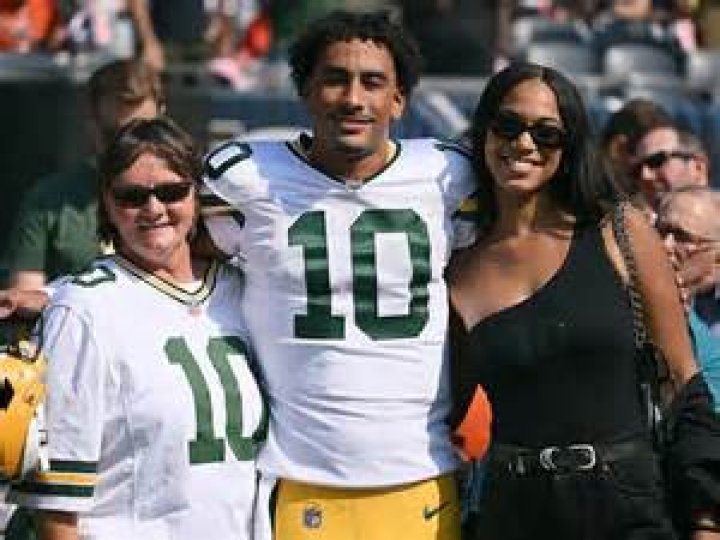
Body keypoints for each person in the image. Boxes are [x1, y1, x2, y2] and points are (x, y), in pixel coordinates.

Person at [199, 9, 478, 540]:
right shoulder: (247, 178)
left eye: (372, 82)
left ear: (399, 99)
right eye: (335, 79)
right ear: (305, 91)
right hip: (300, 478)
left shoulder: (447, 175)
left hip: (422, 475)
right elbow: (170, 265)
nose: (353, 99)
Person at [448, 62, 720, 538]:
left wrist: (706, 522)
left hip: (628, 511)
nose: (524, 144)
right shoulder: (456, 266)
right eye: (508, 125)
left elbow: (683, 383)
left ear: (569, 145)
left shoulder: (620, 232)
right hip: (512, 515)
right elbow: (446, 412)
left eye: (546, 133)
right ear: (484, 131)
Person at [7, 117, 268, 540]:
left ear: (196, 195)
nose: (153, 209)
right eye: (131, 196)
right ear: (106, 206)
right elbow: (57, 507)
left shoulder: (241, 291)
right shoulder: (83, 311)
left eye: (171, 191)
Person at [4, 58, 164, 291]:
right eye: (113, 134)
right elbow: (24, 297)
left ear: (162, 119)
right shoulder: (48, 200)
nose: (128, 146)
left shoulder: (186, 198)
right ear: (91, 122)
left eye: (142, 133)